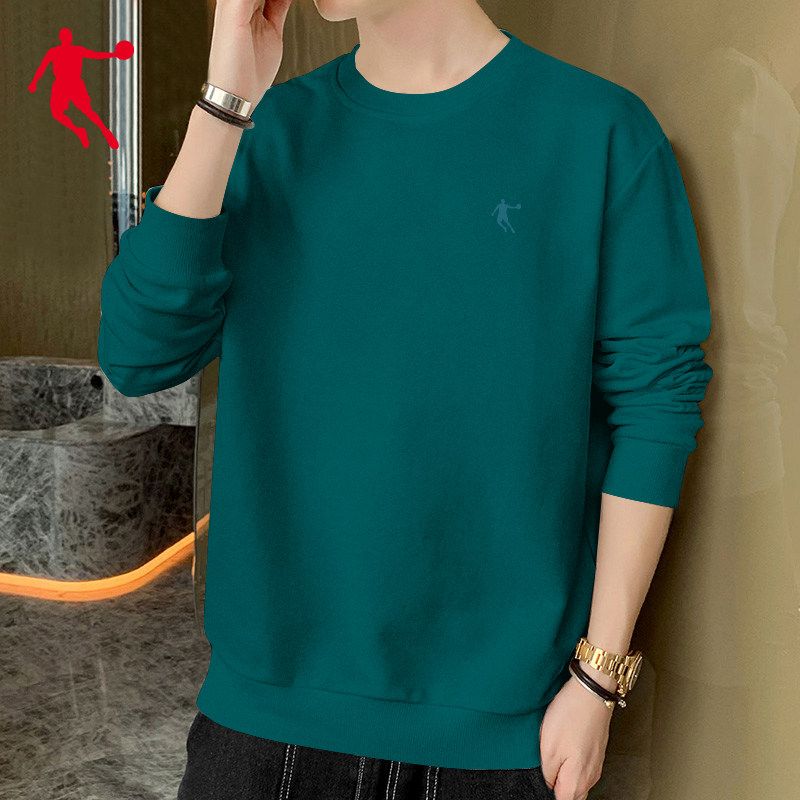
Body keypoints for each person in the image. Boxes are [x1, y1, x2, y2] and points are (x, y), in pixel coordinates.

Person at [97, 1, 714, 798]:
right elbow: (138, 354)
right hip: (261, 729)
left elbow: (656, 407)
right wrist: (225, 103)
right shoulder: (267, 133)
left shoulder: (598, 133)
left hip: (500, 738)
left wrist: (600, 677)